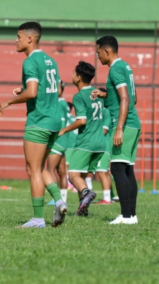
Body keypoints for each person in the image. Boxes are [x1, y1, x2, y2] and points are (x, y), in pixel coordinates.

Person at [0, 22, 68, 228]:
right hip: (54, 120)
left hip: (39, 121)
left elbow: (33, 92)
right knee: (40, 167)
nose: (16, 40)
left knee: (33, 169)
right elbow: (51, 90)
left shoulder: (29, 62)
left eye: (18, 36)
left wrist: (8, 101)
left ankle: (38, 219)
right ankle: (60, 201)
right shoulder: (50, 60)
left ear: (30, 38)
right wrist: (24, 89)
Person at [92, 36, 141, 225]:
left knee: (118, 169)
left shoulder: (115, 69)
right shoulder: (126, 67)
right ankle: (132, 215)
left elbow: (126, 99)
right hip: (133, 123)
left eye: (98, 53)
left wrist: (119, 127)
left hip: (125, 124)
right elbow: (132, 98)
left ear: (107, 51)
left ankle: (126, 215)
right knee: (127, 169)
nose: (98, 57)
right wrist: (105, 95)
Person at [58, 61, 106, 216]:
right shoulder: (98, 93)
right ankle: (83, 210)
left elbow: (82, 121)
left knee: (72, 175)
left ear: (78, 77)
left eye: (73, 73)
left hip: (86, 142)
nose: (72, 75)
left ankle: (87, 193)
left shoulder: (79, 96)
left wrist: (64, 130)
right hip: (100, 143)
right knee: (81, 176)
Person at [46, 81, 70, 204]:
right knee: (62, 172)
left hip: (57, 140)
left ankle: (56, 199)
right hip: (64, 141)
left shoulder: (58, 104)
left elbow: (59, 123)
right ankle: (63, 199)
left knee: (49, 170)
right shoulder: (64, 103)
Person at [95, 90, 115, 205]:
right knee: (105, 172)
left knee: (102, 172)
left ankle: (107, 199)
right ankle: (109, 197)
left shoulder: (106, 111)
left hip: (104, 147)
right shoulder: (103, 111)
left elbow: (104, 130)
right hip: (104, 146)